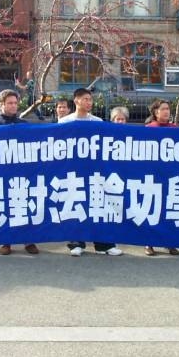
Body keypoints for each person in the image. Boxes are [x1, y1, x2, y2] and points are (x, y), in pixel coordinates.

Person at [59, 88, 122, 257]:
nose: (89, 102)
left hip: (94, 170)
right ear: (76, 100)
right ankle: (76, 243)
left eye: (90, 99)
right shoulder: (65, 122)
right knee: (76, 205)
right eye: (85, 99)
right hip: (73, 170)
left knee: (97, 205)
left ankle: (103, 244)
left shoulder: (97, 121)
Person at [0, 89, 39, 256]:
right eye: (10, 103)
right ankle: (6, 241)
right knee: (5, 206)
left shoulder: (24, 124)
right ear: (1, 104)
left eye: (15, 103)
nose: (13, 106)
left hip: (21, 173)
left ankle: (28, 240)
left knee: (23, 204)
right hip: (1, 173)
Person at [144, 99, 179, 256]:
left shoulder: (175, 129)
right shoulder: (149, 129)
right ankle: (148, 242)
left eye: (168, 108)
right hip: (153, 175)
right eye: (163, 108)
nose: (167, 111)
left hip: (170, 175)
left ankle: (169, 242)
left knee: (168, 210)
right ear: (155, 112)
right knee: (151, 208)